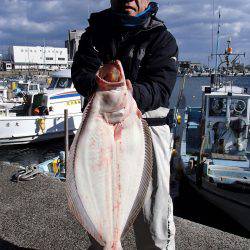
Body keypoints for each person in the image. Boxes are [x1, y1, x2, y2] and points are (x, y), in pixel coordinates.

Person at [71, 0, 178, 249]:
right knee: (100, 218)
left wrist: (128, 93)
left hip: (147, 131)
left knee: (154, 221)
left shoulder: (162, 39)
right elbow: (81, 73)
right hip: (100, 129)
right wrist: (101, 86)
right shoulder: (95, 34)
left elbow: (160, 88)